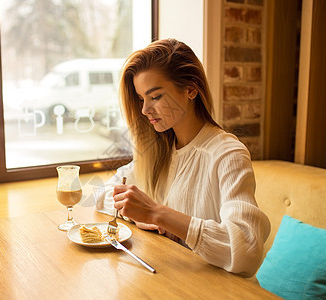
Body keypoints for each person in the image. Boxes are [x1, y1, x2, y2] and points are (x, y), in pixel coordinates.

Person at [95, 38, 270, 277]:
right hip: (169, 279)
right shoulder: (158, 150)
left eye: (155, 96)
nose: (145, 110)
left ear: (191, 89)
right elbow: (101, 195)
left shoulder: (227, 154)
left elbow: (247, 250)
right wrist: (137, 215)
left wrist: (159, 214)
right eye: (140, 99)